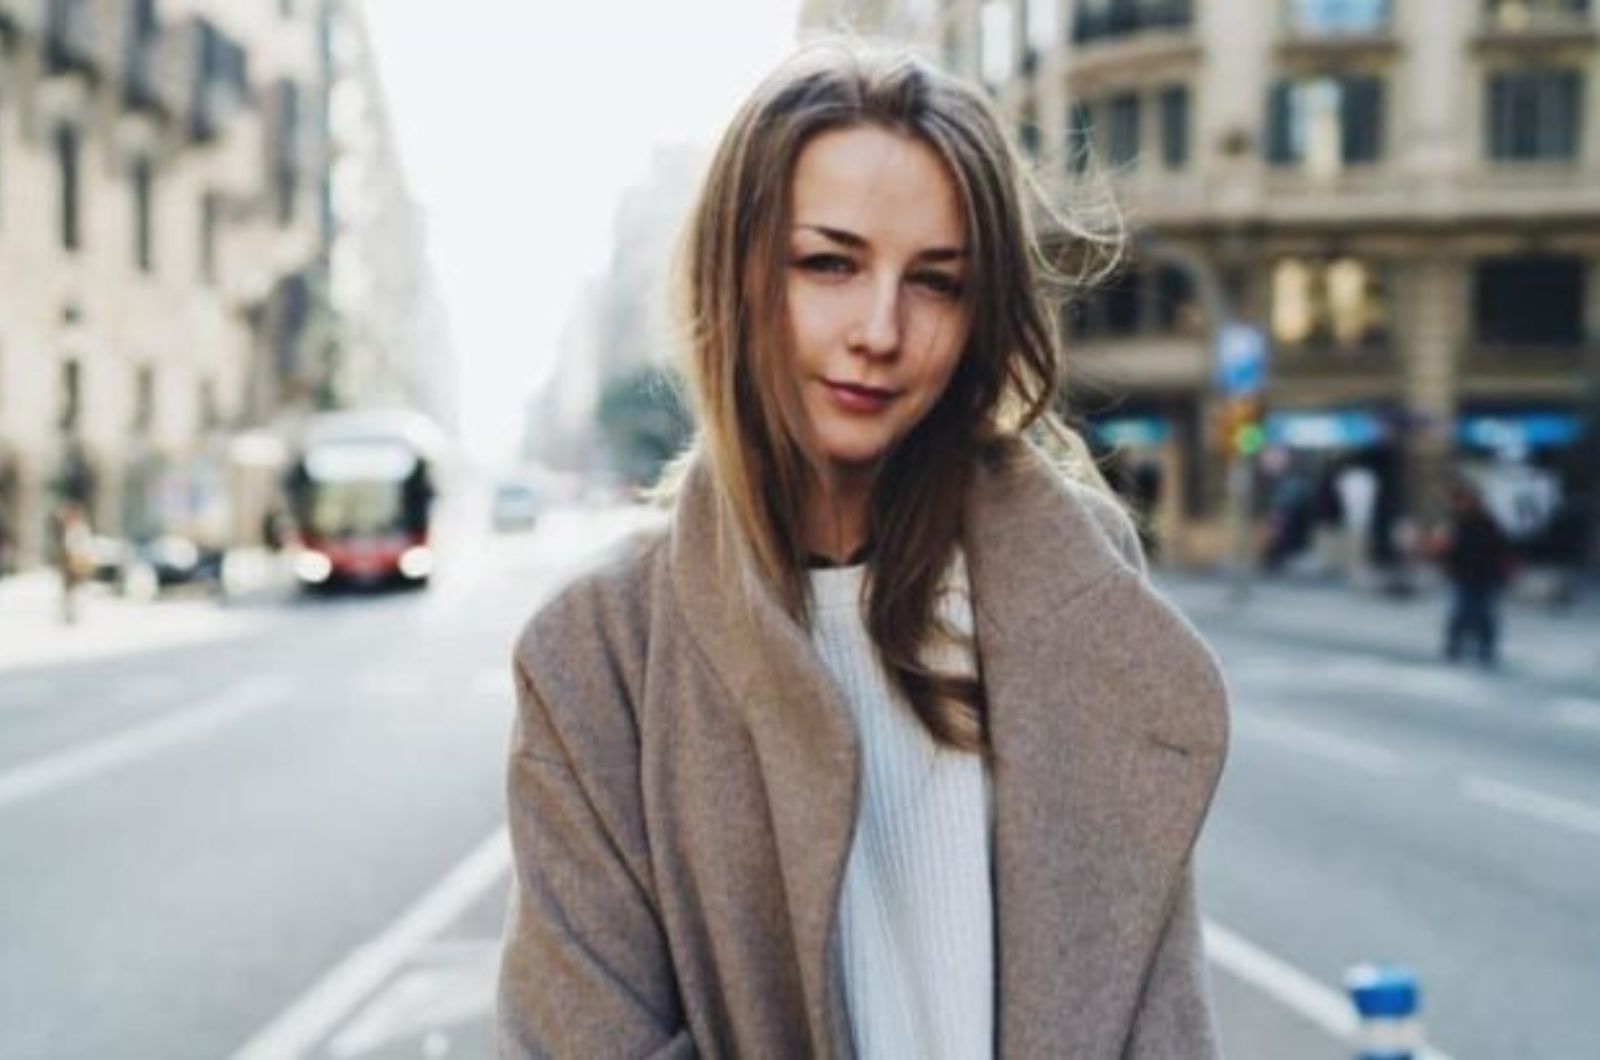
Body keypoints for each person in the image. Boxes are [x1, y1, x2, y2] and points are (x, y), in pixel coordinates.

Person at [498, 43, 1230, 1059]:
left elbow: (1156, 1010)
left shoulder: (1074, 585)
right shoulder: (598, 653)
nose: (878, 330)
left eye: (936, 283)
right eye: (828, 264)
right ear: (738, 273)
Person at [1437, 480, 1516, 668]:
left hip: (1485, 576)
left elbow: (1501, 549)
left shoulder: (1487, 523)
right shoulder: (1457, 523)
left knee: (1484, 615)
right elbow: (1450, 550)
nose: (1462, 504)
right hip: (1464, 575)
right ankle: (1455, 647)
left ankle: (1485, 649)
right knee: (1460, 613)